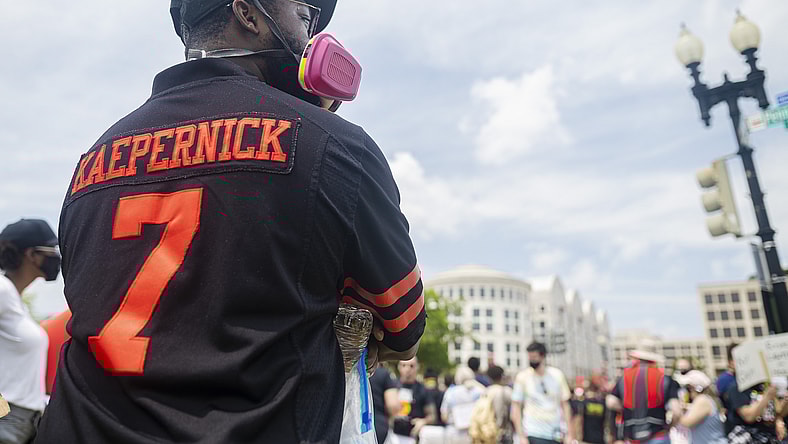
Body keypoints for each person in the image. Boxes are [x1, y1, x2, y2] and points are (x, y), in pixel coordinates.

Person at [35, 1, 427, 442]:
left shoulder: (92, 160)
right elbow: (404, 329)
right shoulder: (334, 146)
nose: (313, 27)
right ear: (247, 13)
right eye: (303, 13)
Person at [0, 219, 60, 444]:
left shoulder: (16, 300)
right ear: (31, 255)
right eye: (51, 250)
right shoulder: (3, 290)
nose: (56, 257)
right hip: (8, 420)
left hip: (25, 421)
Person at [606, 339, 681, 444]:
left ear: (637, 358)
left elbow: (610, 402)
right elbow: (677, 411)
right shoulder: (665, 378)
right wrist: (670, 426)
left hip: (632, 438)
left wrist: (627, 409)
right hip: (658, 435)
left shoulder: (623, 379)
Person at [511, 342, 574, 444]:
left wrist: (570, 434)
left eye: (534, 357)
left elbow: (565, 406)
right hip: (532, 431)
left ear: (542, 356)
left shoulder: (557, 375)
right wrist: (521, 435)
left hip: (555, 433)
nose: (531, 360)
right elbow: (516, 407)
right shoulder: (522, 377)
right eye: (530, 357)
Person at [725, 380, 787, 444]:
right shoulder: (737, 388)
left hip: (768, 436)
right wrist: (767, 396)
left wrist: (779, 419)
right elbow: (749, 417)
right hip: (745, 436)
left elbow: (778, 413)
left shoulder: (766, 386)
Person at [673, 370, 726, 444]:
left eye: (689, 388)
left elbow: (687, 422)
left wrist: (676, 409)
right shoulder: (706, 399)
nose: (687, 391)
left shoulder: (702, 400)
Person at [393, 357, 437, 442]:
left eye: (412, 366)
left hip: (413, 436)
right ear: (399, 367)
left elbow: (432, 416)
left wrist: (423, 421)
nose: (407, 369)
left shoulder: (423, 389)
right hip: (392, 435)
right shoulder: (392, 387)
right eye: (404, 365)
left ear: (417, 367)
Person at [441, 367, 484, 442]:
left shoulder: (451, 392)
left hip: (453, 432)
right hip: (474, 432)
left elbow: (444, 416)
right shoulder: (479, 391)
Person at [371, 363, 402, 444]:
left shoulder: (352, 372)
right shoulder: (383, 374)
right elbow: (393, 406)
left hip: (351, 426)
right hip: (377, 426)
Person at [574, 376, 607, 444]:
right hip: (600, 439)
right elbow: (607, 422)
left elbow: (579, 420)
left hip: (586, 439)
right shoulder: (603, 403)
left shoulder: (584, 402)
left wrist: (577, 438)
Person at [486, 365, 513, 444]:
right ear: (502, 376)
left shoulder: (485, 391)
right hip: (504, 431)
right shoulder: (507, 391)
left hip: (488, 430)